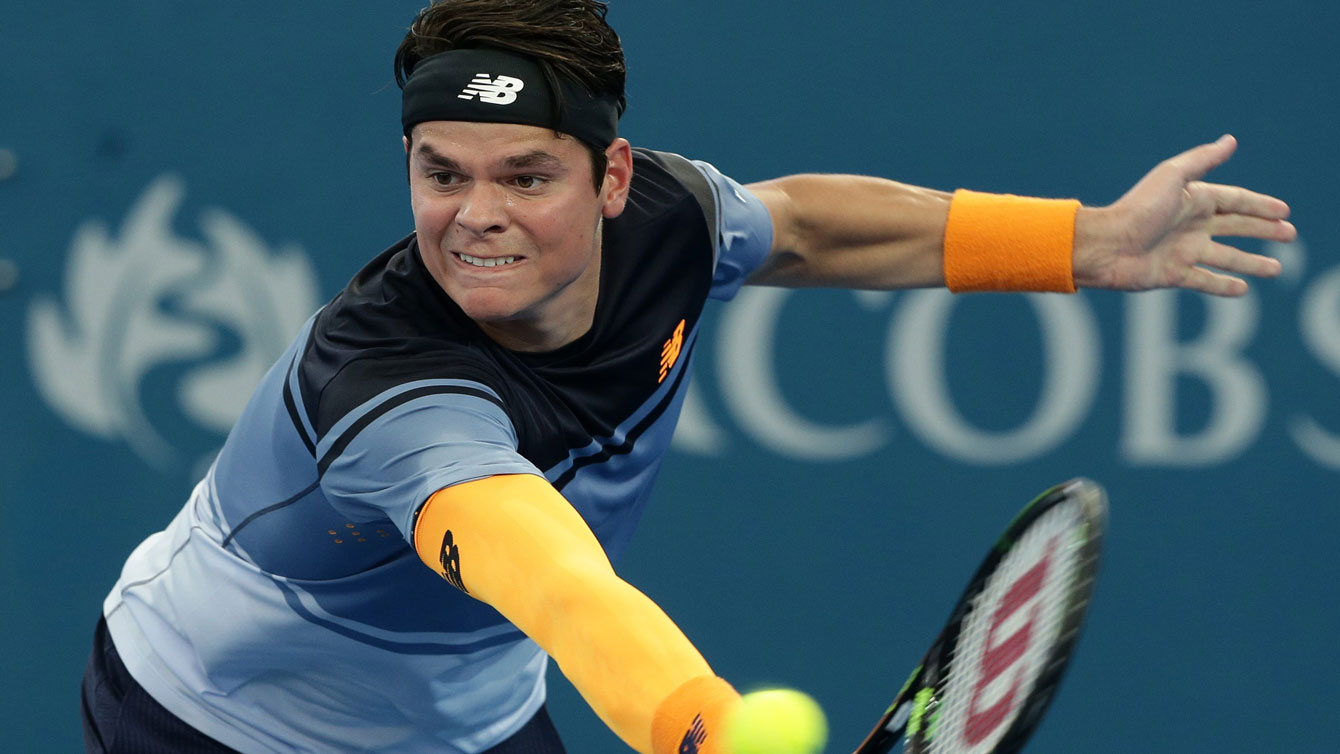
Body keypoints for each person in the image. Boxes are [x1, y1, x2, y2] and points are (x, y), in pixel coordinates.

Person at [79, 1, 1295, 753]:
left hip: (464, 704)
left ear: (610, 178)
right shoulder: (397, 394)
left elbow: (811, 226)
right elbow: (562, 591)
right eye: (441, 173)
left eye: (524, 175)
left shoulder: (669, 217)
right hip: (222, 714)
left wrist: (1082, 243)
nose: (474, 217)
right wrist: (703, 729)